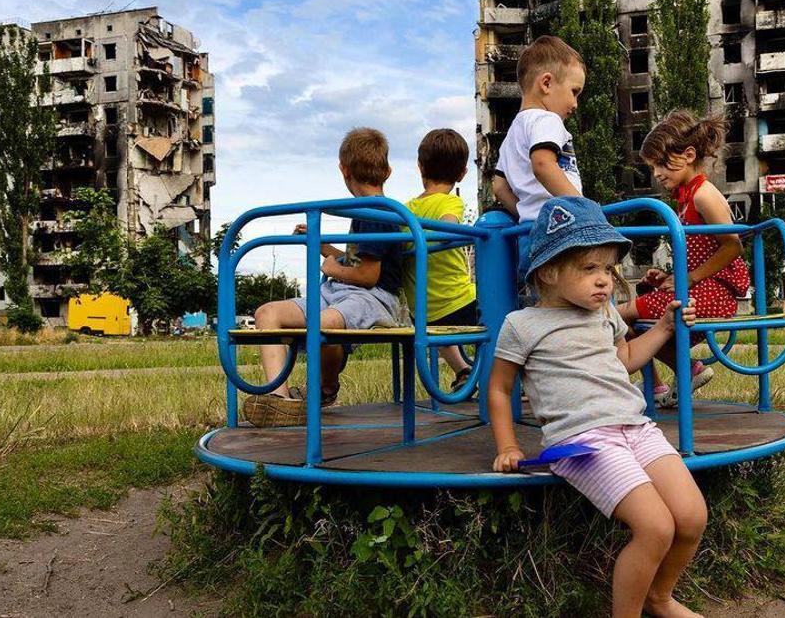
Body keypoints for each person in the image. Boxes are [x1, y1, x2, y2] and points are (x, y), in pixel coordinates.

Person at [490, 196, 707, 618]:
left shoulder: (604, 313)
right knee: (655, 527)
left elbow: (624, 360)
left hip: (634, 427)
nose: (605, 280)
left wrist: (664, 327)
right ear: (548, 271)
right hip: (584, 441)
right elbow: (499, 389)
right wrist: (508, 446)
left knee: (692, 516)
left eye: (608, 269)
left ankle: (659, 598)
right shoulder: (522, 325)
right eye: (590, 268)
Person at [243, 128, 404, 424]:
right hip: (342, 292)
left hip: (375, 298)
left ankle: (325, 388)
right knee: (266, 313)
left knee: (324, 322)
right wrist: (322, 246)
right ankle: (280, 400)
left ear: (343, 170)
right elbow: (357, 261)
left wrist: (333, 270)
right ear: (388, 171)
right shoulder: (363, 210)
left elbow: (368, 275)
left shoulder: (378, 213)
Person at [617, 110, 751, 409]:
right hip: (697, 288)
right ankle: (672, 378)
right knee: (630, 325)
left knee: (618, 315)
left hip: (714, 295)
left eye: (661, 164)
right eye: (653, 167)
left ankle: (668, 378)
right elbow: (699, 253)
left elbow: (732, 247)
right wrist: (667, 277)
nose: (657, 173)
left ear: (688, 155)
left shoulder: (703, 195)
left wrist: (688, 278)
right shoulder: (685, 197)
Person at [488, 35, 586, 278]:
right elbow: (543, 164)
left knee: (541, 295)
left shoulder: (512, 133)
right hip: (561, 228)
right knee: (589, 291)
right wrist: (583, 208)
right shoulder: (547, 119)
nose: (575, 103)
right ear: (546, 83)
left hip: (529, 233)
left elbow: (499, 187)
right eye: (574, 92)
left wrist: (528, 214)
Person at [404, 128, 479, 392]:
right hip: (459, 302)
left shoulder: (407, 210)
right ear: (462, 174)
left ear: (420, 166)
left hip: (423, 314)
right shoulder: (450, 203)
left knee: (441, 332)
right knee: (504, 316)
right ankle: (510, 379)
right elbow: (449, 226)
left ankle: (463, 371)